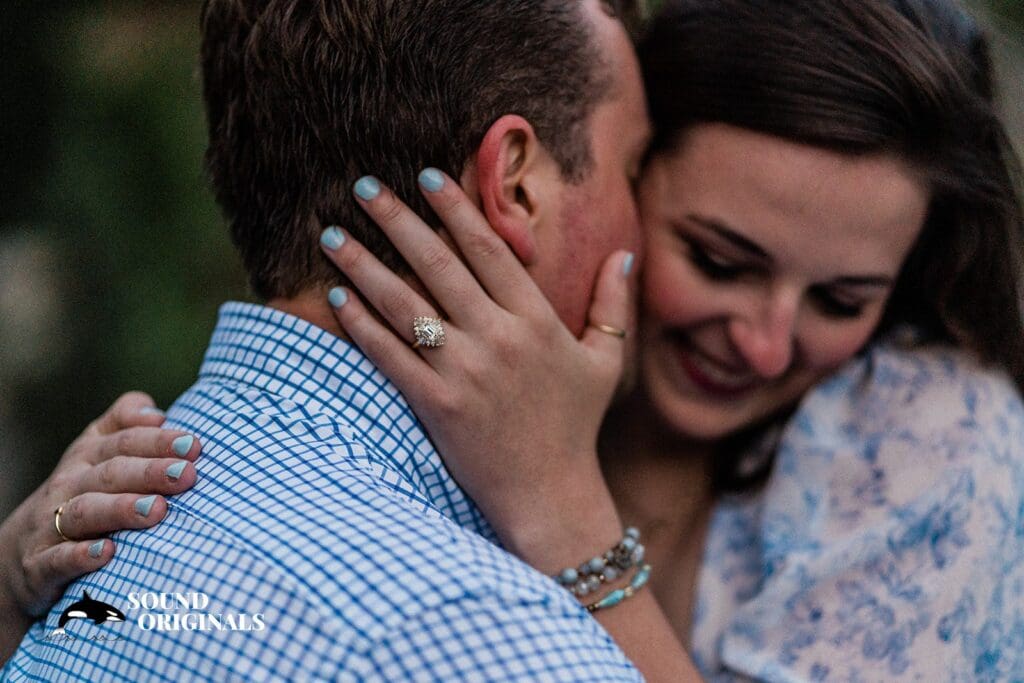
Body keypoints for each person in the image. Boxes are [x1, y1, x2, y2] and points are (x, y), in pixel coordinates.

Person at [5, 0, 1024, 680]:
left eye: (844, 297)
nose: (763, 344)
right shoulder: (417, 555)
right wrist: (15, 602)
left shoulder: (927, 446)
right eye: (716, 258)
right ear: (521, 183)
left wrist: (565, 515)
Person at [3, 0, 699, 680]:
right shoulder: (481, 630)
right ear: (514, 184)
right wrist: (578, 528)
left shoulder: (85, 556)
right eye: (633, 169)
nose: (644, 225)